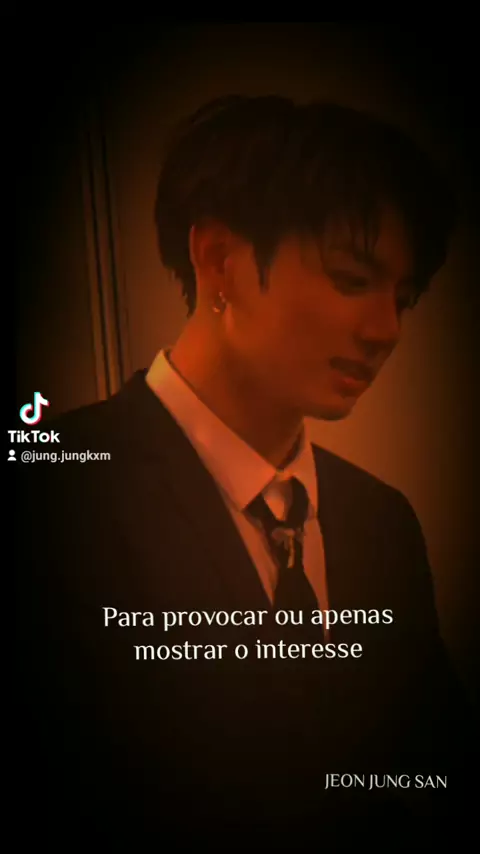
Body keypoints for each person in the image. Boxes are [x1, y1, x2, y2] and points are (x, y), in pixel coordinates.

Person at [18, 95, 471, 841]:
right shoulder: (55, 498)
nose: (387, 328)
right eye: (351, 278)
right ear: (219, 259)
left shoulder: (381, 522)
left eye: (404, 297)